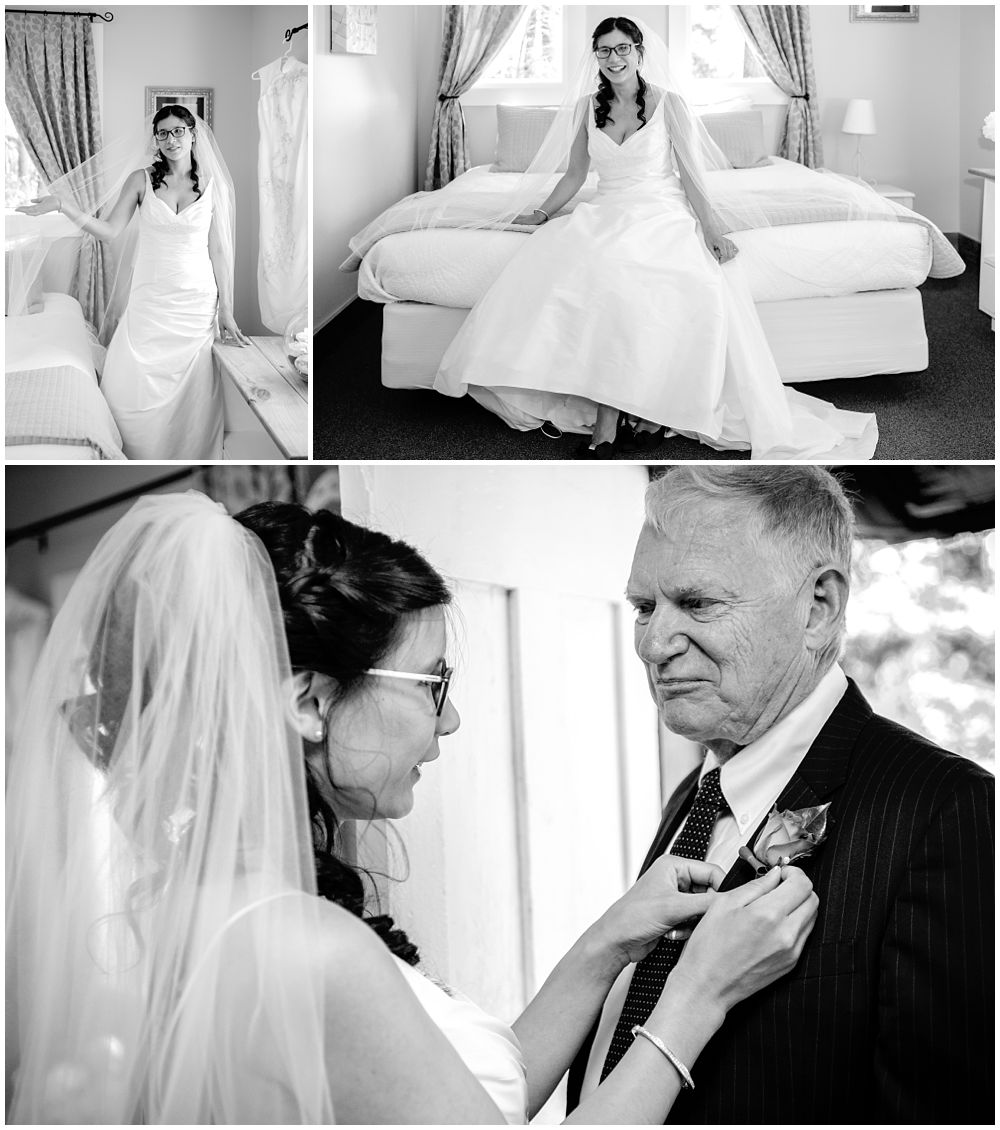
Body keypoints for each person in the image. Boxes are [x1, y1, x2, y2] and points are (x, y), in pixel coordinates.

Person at [7, 491, 816, 1124]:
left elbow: (466, 1100)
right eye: (433, 684)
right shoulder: (310, 948)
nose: (452, 717)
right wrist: (696, 997)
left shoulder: (211, 905)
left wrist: (610, 938)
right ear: (309, 703)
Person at [568, 465, 994, 1123]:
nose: (653, 644)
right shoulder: (696, 798)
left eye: (698, 603)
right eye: (645, 607)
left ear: (818, 607)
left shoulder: (946, 812)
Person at [347, 15, 878, 461]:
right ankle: (621, 408)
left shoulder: (670, 104)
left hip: (662, 210)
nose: (613, 59)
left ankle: (613, 414)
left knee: (640, 275)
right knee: (583, 267)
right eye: (604, 52)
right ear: (596, 57)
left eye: (622, 49)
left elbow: (691, 175)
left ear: (639, 51)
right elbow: (575, 178)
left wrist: (712, 229)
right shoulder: (585, 108)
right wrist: (540, 212)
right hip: (607, 209)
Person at [16, 106, 249, 459]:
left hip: (196, 301)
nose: (170, 139)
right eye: (163, 133)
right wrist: (65, 205)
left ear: (192, 134)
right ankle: (133, 455)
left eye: (177, 131)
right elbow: (109, 231)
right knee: (131, 381)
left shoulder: (213, 185)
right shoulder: (141, 180)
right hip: (150, 298)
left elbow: (219, 250)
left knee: (194, 387)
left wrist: (227, 312)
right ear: (155, 139)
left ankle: (188, 454)